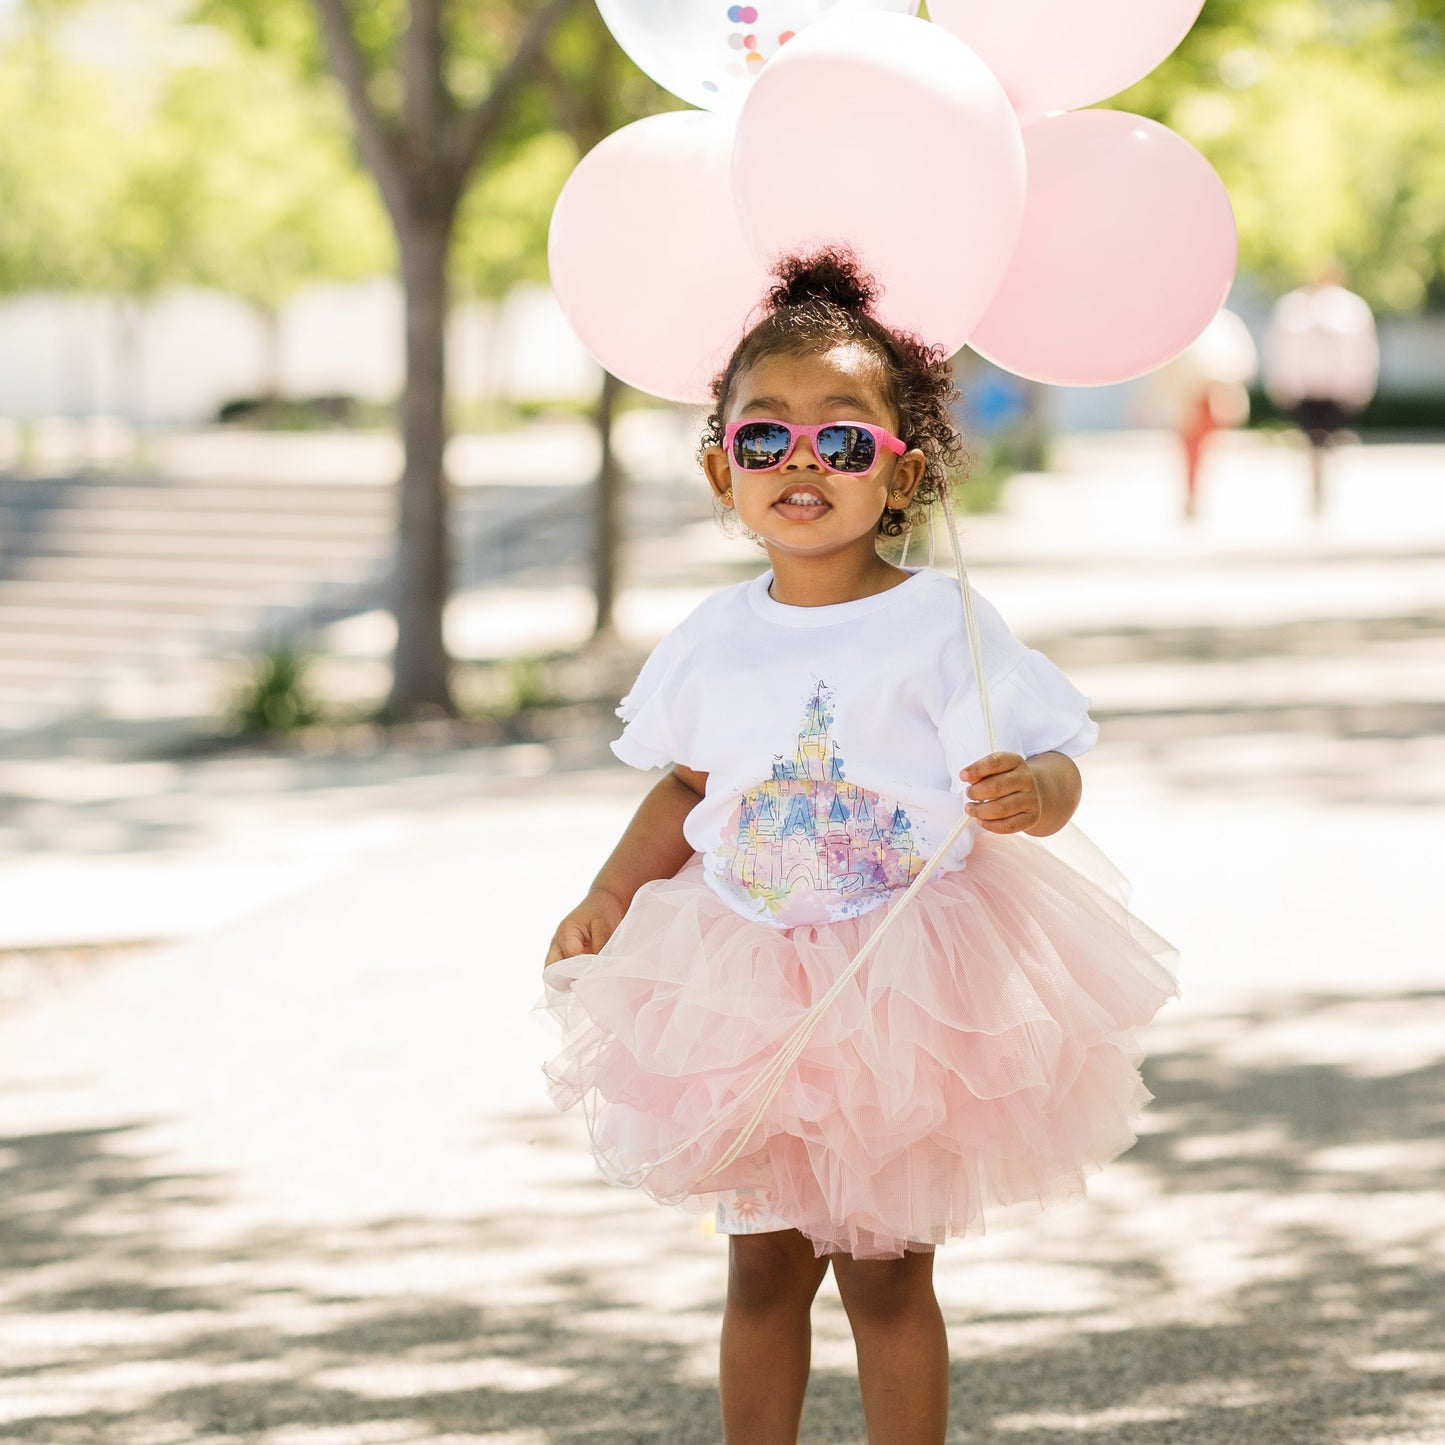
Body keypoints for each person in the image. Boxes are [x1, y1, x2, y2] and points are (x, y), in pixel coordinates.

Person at [541, 249, 1177, 1445]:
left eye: (842, 441)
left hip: (897, 983)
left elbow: (1054, 757)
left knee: (887, 1272)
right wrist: (609, 891)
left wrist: (1027, 792)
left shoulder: (940, 621)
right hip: (741, 982)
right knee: (761, 1269)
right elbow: (686, 785)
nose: (800, 463)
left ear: (905, 471)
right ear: (718, 464)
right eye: (765, 436)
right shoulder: (710, 636)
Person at [1263, 265, 1379, 515]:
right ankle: (1314, 486)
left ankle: (1327, 487)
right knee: (1311, 442)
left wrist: (1359, 385)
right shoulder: (1295, 306)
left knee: (1331, 441)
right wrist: (1284, 383)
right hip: (1305, 388)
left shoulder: (1352, 309)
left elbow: (1363, 350)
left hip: (1338, 389)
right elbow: (1282, 348)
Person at [1149, 308, 1258, 520]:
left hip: (1215, 397)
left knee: (1210, 450)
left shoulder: (1226, 323)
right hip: (1186, 399)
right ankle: (1190, 495)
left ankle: (1200, 495)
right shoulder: (1179, 323)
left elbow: (1241, 361)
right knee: (1188, 450)